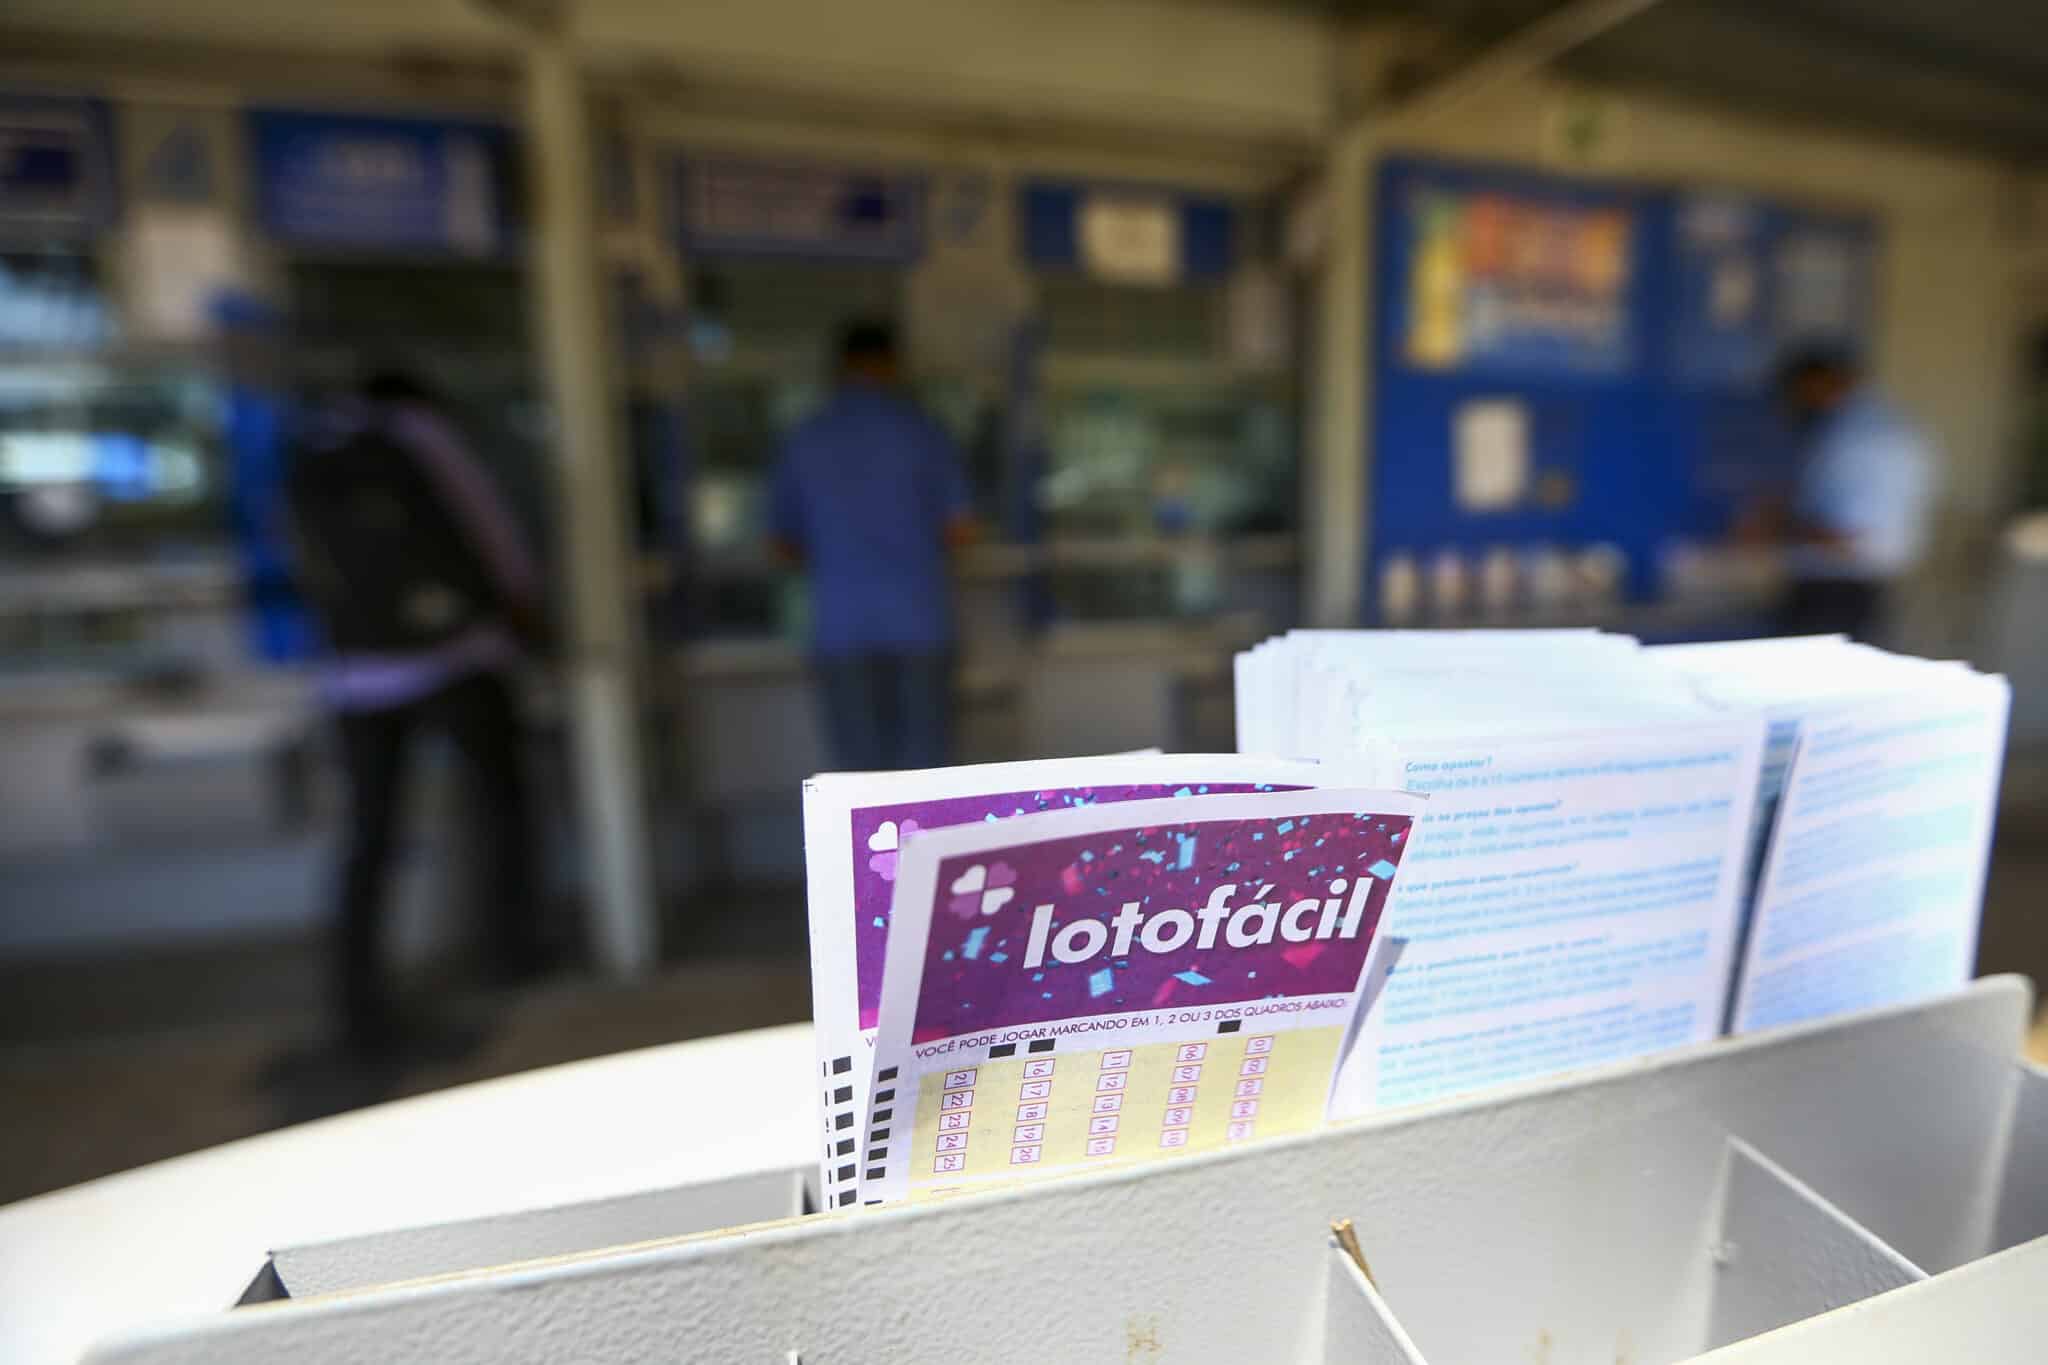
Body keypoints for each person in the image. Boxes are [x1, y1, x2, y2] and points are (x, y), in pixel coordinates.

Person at [286, 369, 549, 1060]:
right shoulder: (423, 437)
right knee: (502, 805)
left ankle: (355, 997)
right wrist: (522, 609)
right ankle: (511, 950)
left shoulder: (315, 444)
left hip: (354, 673)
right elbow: (489, 530)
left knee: (369, 836)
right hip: (456, 657)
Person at [771, 320, 974, 770]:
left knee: (856, 776)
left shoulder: (807, 438)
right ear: (892, 366)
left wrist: (839, 557)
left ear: (841, 367)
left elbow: (783, 545)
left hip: (841, 627)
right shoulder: (924, 433)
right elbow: (960, 531)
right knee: (925, 770)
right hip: (920, 622)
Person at [1762, 347, 1937, 641]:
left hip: (1837, 592)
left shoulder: (1860, 437)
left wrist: (1771, 528)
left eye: (1797, 391)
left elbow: (1845, 536)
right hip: (1860, 587)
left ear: (1818, 383)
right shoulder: (1889, 426)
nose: (1793, 403)